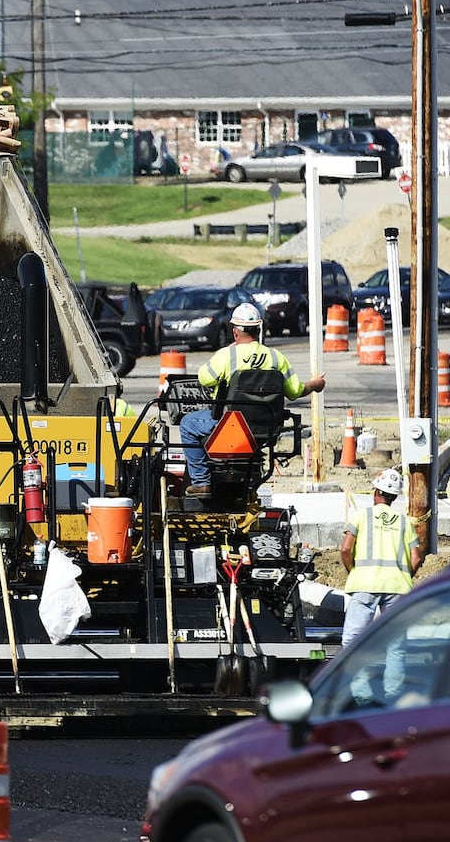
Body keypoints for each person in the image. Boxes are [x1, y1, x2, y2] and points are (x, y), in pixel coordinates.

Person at [179, 301, 326, 495]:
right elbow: (295, 391)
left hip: (230, 426)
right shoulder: (276, 358)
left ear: (235, 331)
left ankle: (201, 482)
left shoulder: (227, 356)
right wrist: (315, 385)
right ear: (259, 329)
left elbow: (204, 378)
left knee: (188, 423)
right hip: (266, 428)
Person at [340, 468, 424, 704]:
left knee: (353, 640)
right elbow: (416, 558)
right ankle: (393, 693)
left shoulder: (361, 516)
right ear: (394, 497)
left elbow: (346, 548)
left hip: (365, 583)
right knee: (396, 643)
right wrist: (404, 576)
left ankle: (362, 693)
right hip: (398, 586)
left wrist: (353, 570)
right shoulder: (405, 522)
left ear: (376, 491)